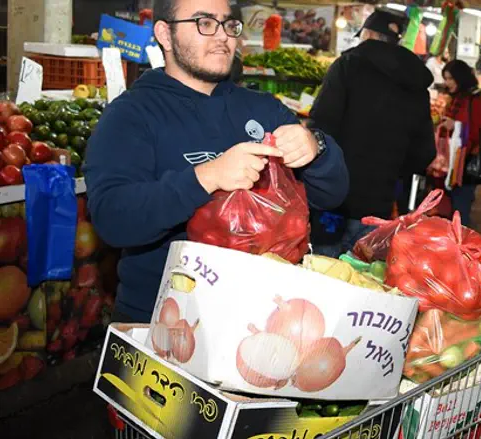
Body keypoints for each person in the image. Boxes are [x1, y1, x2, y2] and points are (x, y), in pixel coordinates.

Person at [84, 0, 349, 323]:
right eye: (205, 23)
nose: (222, 35)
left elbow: (331, 195)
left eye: (228, 24)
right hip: (161, 323)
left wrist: (317, 147)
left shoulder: (264, 109)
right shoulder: (130, 115)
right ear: (165, 34)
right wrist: (206, 177)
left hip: (265, 318)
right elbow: (113, 218)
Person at [307, 10, 436, 257]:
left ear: (367, 34)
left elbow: (320, 127)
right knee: (365, 277)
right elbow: (424, 152)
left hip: (334, 201)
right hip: (379, 207)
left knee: (324, 272)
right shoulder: (415, 83)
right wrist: (391, 172)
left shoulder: (347, 65)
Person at [440, 60, 481, 228]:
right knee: (451, 210)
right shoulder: (454, 100)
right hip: (450, 163)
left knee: (460, 211)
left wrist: (456, 126)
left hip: (465, 164)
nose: (447, 83)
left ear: (460, 78)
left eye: (450, 78)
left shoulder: (475, 102)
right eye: (445, 78)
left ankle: (460, 249)